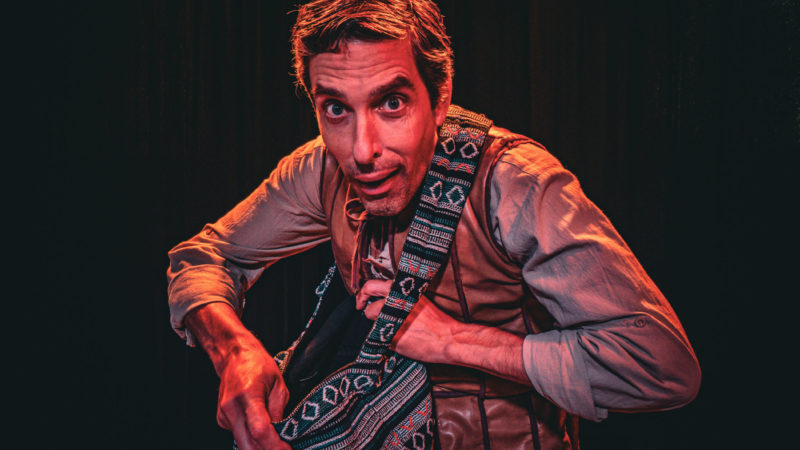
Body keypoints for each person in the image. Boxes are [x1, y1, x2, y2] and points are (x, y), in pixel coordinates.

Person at [166, 1, 701, 448]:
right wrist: (233, 350)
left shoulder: (514, 185)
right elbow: (202, 257)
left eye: (391, 103)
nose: (363, 150)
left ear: (440, 98)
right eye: (336, 109)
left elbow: (661, 367)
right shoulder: (322, 170)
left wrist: (452, 340)